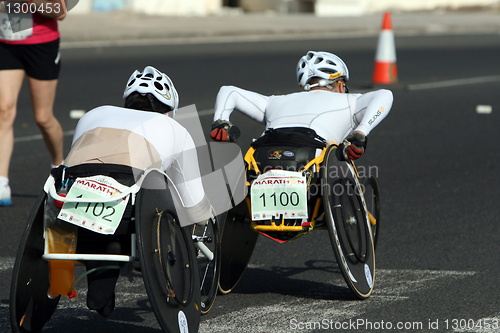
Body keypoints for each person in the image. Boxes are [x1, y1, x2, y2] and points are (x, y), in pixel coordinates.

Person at [56, 66, 212, 316]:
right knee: (148, 196)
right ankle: (112, 257)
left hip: (74, 200)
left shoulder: (94, 114)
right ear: (169, 110)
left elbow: (73, 165)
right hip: (130, 210)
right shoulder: (176, 129)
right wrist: (206, 219)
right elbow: (193, 204)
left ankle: (103, 273)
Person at [210, 50, 393, 161]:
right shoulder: (349, 100)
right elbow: (385, 95)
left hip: (264, 152)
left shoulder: (276, 100)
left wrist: (221, 121)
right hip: (311, 153)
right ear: (338, 84)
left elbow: (229, 91)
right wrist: (362, 131)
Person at [0, 0, 67, 206]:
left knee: (43, 118)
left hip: (41, 45)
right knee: (4, 110)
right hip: (7, 43)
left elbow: (61, 12)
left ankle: (59, 166)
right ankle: (2, 182)